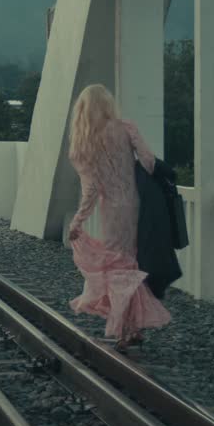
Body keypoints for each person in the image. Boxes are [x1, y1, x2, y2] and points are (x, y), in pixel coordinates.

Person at [65, 84, 172, 351]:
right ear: (108, 105)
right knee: (130, 263)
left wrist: (77, 221)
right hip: (137, 205)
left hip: (112, 210)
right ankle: (132, 328)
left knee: (118, 266)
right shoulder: (126, 127)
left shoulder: (84, 141)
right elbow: (149, 162)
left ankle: (125, 329)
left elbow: (90, 191)